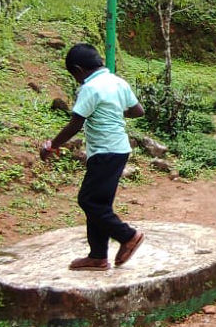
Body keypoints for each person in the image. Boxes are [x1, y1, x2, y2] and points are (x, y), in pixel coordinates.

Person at [39, 44, 145, 271]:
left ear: (78, 70)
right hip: (119, 150)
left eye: (74, 75)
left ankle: (128, 236)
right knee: (98, 204)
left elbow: (75, 124)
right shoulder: (117, 82)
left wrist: (51, 146)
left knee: (87, 201)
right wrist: (113, 110)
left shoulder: (90, 88)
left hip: (105, 152)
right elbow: (138, 111)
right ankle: (97, 256)